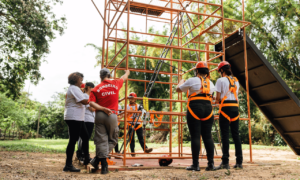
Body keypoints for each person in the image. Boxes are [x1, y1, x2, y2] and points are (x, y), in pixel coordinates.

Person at [176, 61, 216, 171]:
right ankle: (211, 164)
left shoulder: (191, 80)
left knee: (195, 136)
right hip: (208, 109)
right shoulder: (211, 83)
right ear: (207, 72)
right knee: (207, 136)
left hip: (194, 108)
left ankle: (195, 165)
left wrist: (181, 82)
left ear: (197, 71)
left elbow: (178, 90)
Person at [89, 68, 130, 174]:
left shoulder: (96, 89)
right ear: (110, 76)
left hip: (99, 114)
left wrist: (102, 108)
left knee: (101, 140)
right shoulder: (116, 83)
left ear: (100, 77)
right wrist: (127, 72)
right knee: (113, 139)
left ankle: (103, 166)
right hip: (111, 114)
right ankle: (98, 160)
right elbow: (124, 78)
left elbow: (91, 103)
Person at [215, 61, 243, 170]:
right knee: (236, 135)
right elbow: (233, 94)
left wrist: (212, 98)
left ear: (221, 70)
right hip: (235, 108)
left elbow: (218, 99)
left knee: (225, 135)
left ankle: (225, 163)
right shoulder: (236, 81)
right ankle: (239, 162)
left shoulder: (220, 80)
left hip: (225, 109)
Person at [63, 72, 90, 172]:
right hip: (74, 117)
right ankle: (68, 165)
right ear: (76, 79)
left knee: (85, 136)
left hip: (78, 118)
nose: (82, 82)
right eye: (81, 80)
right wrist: (95, 100)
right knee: (73, 140)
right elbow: (83, 101)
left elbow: (84, 101)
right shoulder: (73, 88)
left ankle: (86, 158)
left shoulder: (75, 89)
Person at [126, 92, 153, 156]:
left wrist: (142, 114)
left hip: (138, 123)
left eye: (132, 98)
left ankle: (145, 149)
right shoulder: (127, 106)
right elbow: (125, 114)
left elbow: (144, 113)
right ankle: (132, 152)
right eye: (130, 98)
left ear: (135, 99)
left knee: (140, 137)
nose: (131, 100)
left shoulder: (138, 106)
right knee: (131, 138)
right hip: (130, 123)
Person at [76, 82, 95, 162]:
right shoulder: (85, 96)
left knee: (85, 138)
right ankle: (82, 154)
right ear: (90, 88)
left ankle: (81, 154)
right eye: (93, 88)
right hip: (87, 119)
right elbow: (92, 109)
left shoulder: (88, 96)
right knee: (85, 138)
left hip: (90, 119)